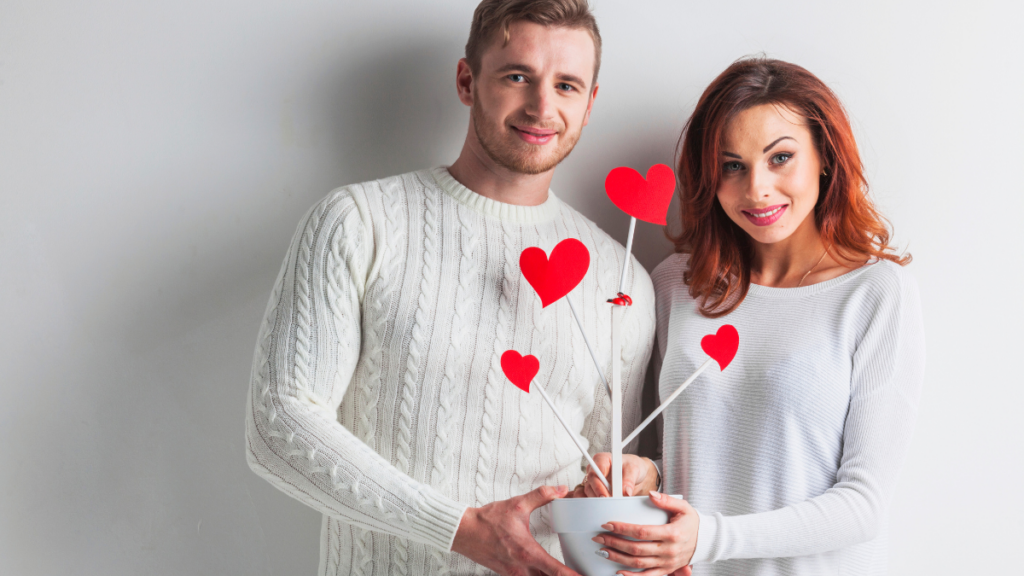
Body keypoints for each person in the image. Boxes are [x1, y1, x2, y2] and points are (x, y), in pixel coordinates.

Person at [243, 1, 656, 575]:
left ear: (588, 105)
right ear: (467, 81)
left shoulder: (621, 278)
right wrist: (462, 531)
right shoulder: (360, 223)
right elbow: (278, 423)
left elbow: (614, 464)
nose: (542, 106)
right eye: (518, 76)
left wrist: (641, 477)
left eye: (566, 85)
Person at [577, 57, 925, 575]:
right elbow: (699, 460)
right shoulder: (675, 284)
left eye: (780, 157)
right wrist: (645, 475)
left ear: (824, 157)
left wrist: (709, 538)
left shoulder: (875, 293)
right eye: (732, 165)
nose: (757, 189)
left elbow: (863, 504)